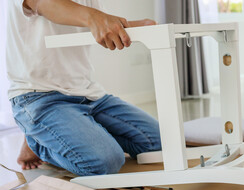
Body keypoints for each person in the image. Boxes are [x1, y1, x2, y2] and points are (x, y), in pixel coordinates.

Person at [7, 0, 162, 176]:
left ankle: (73, 133)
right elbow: (43, 4)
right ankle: (37, 142)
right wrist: (94, 17)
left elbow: (105, 25)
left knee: (157, 144)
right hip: (40, 96)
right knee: (105, 163)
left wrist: (140, 26)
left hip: (88, 94)